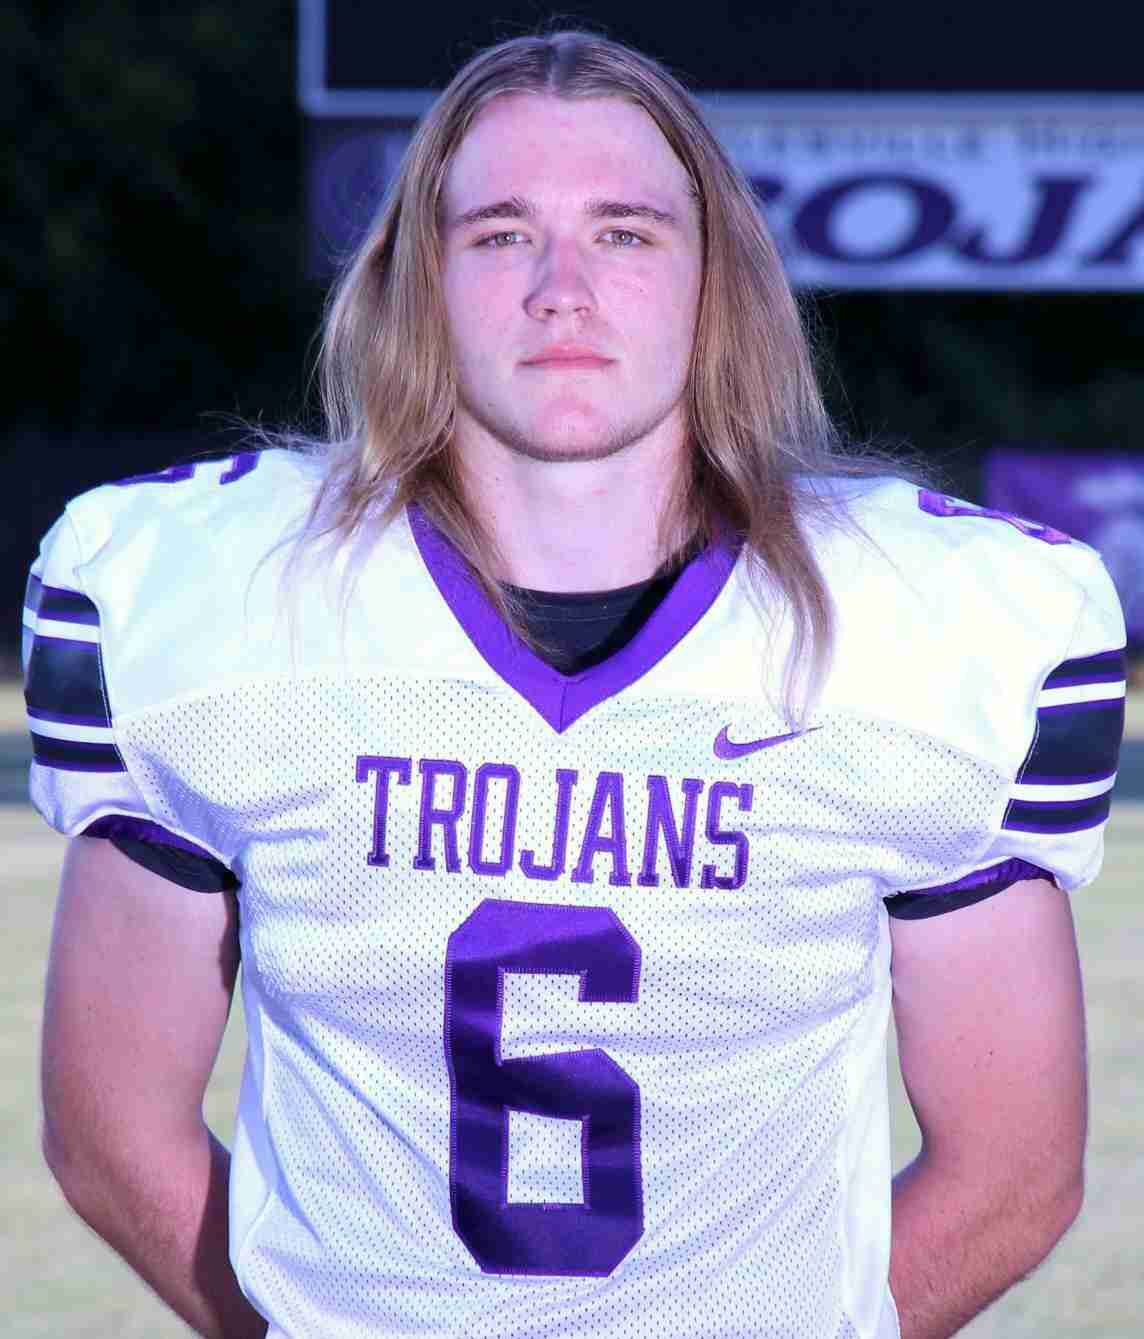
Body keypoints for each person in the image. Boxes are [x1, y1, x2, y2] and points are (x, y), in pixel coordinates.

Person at [23, 29, 1124, 1339]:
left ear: (717, 282)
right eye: (500, 235)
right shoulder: (221, 610)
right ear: (418, 284)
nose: (562, 289)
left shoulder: (919, 635)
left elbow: (1013, 1174)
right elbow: (112, 1133)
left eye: (624, 233)